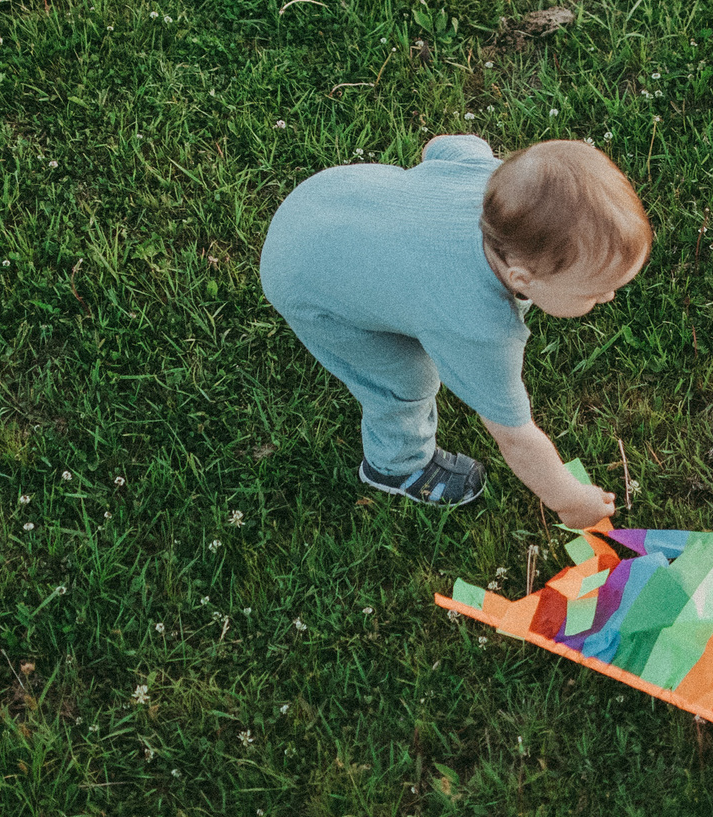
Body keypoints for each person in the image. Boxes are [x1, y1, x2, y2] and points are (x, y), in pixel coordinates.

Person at [259, 134, 649, 525]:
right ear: (521, 278)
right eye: (594, 292)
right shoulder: (479, 328)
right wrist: (569, 499)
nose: (610, 297)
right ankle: (397, 464)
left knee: (405, 295)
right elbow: (515, 436)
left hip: (327, 198)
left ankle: (385, 295)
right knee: (405, 380)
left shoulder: (490, 181)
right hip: (307, 283)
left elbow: (444, 146)